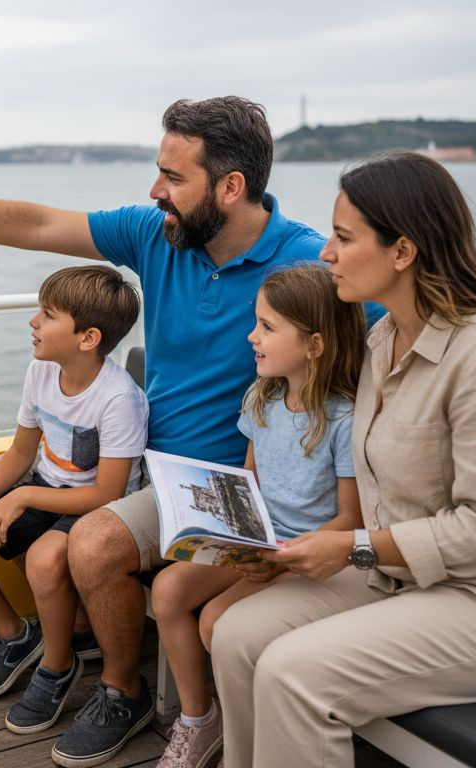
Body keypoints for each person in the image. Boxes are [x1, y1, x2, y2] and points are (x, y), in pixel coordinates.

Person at [0, 96, 383, 768]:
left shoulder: (307, 270)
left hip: (224, 485)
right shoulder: (159, 234)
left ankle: (121, 690)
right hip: (150, 465)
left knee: (93, 544)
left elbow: (397, 327)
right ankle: (59, 636)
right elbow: (37, 224)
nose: (156, 191)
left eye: (174, 177)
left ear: (230, 187)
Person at [209, 151, 476, 768]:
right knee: (236, 636)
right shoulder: (383, 340)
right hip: (405, 577)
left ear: (403, 252)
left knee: (293, 673)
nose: (325, 254)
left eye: (342, 237)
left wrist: (350, 546)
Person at [148, 263, 365, 768]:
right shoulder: (262, 397)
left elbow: (350, 519)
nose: (252, 336)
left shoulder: (343, 418)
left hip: (306, 556)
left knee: (218, 622)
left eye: (267, 327)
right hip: (259, 541)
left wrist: (276, 556)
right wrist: (214, 522)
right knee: (168, 591)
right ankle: (201, 720)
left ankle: (249, 735)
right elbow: (249, 488)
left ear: (313, 344)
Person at [0, 264, 149, 736]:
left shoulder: (118, 399)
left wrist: (24, 495)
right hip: (49, 490)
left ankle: (56, 666)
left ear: (87, 338)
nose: (33, 322)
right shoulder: (40, 371)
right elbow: (21, 451)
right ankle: (16, 636)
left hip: (96, 508)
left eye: (47, 315)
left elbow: (107, 493)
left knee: (45, 559)